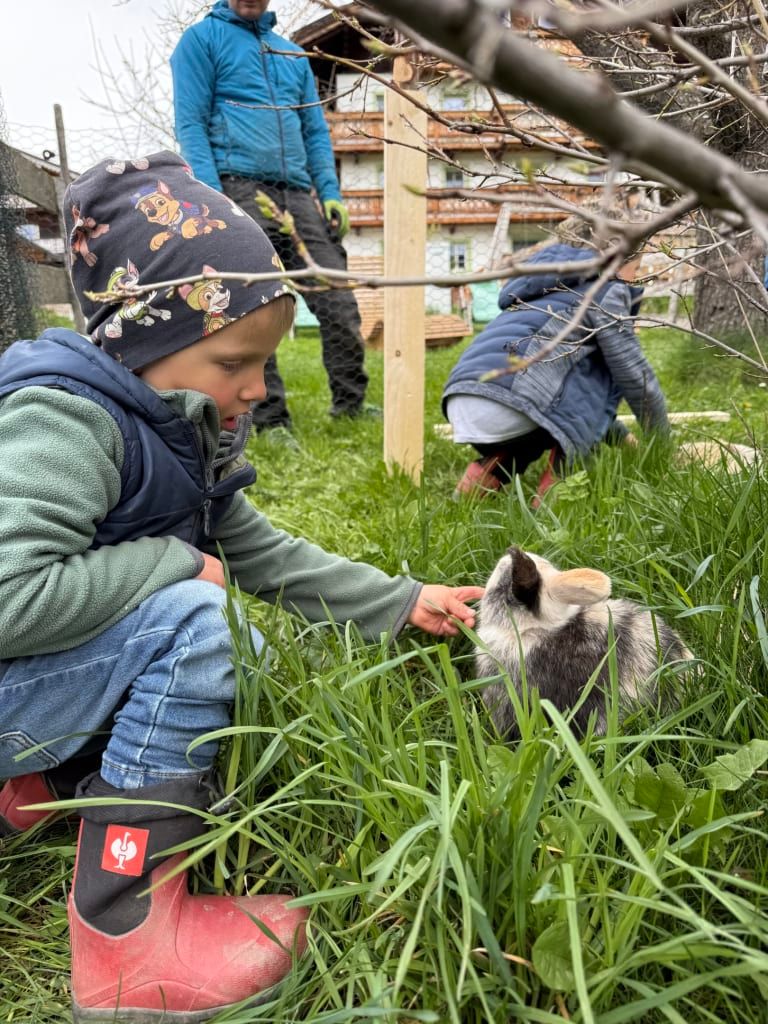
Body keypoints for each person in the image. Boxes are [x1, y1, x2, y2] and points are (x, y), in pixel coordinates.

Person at [0, 152, 483, 1023]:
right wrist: (173, 565)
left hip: (27, 688)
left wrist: (399, 600)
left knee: (226, 638)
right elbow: (10, 597)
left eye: (264, 362)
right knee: (197, 624)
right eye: (235, 361)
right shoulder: (64, 420)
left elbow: (257, 551)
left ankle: (43, 787)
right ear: (145, 340)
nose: (258, 388)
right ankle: (126, 935)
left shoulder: (172, 422)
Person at [170, 0, 371, 433]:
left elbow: (314, 131)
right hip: (236, 185)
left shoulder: (291, 54)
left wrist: (329, 193)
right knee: (253, 307)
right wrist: (212, 198)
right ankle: (269, 419)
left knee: (336, 295)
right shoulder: (201, 41)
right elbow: (191, 122)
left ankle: (351, 405)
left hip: (297, 194)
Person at [443, 223, 669, 499]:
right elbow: (635, 376)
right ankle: (556, 493)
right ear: (616, 260)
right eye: (637, 269)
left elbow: (573, 395)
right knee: (604, 369)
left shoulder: (536, 285)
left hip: (464, 399)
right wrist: (662, 446)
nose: (637, 279)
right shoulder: (604, 289)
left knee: (538, 423)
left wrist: (624, 440)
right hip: (517, 400)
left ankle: (475, 485)